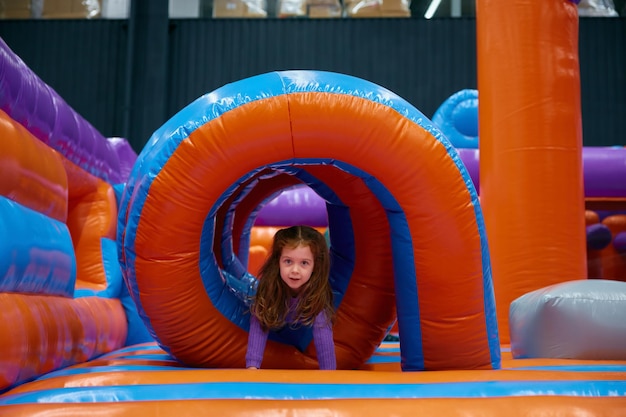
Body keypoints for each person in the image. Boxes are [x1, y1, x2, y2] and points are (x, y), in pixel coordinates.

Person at [246, 225, 336, 370]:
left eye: (304, 263)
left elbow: (323, 335)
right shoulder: (269, 288)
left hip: (301, 333)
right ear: (278, 262)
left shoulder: (317, 293)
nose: (295, 270)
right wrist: (252, 366)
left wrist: (329, 373)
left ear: (315, 266)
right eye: (288, 261)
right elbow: (259, 326)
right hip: (277, 326)